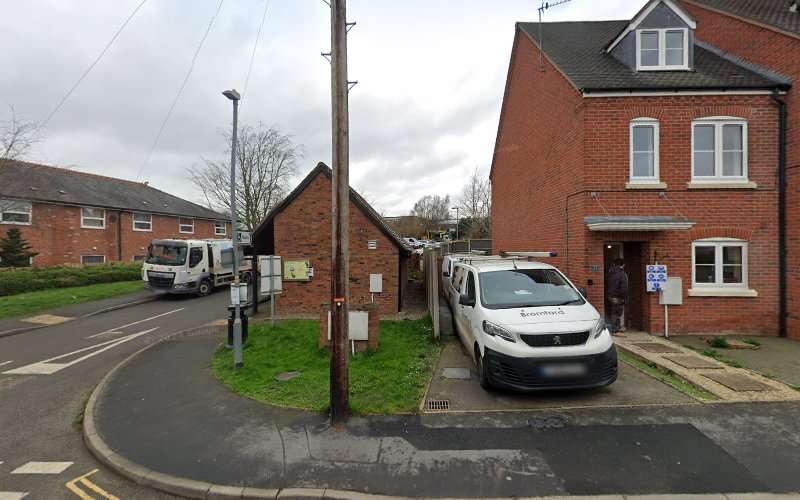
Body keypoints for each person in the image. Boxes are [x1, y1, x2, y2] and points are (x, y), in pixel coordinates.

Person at [606, 257, 629, 337]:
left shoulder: (610, 272)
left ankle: (617, 328)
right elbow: (624, 288)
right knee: (616, 313)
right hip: (618, 296)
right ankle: (615, 330)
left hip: (610, 295)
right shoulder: (622, 274)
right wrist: (624, 298)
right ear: (623, 265)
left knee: (614, 312)